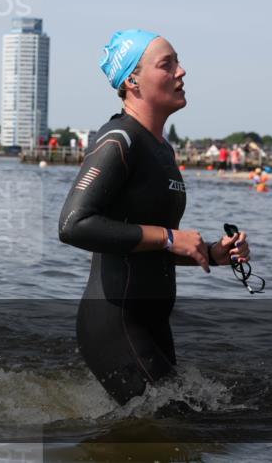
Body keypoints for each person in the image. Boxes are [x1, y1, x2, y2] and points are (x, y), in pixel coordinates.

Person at [58, 29, 251, 404]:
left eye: (178, 62)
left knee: (180, 424)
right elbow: (72, 225)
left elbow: (144, 245)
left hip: (152, 322)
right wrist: (170, 236)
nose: (182, 71)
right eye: (167, 64)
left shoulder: (162, 150)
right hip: (115, 321)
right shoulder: (119, 140)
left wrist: (211, 253)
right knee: (176, 425)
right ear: (132, 81)